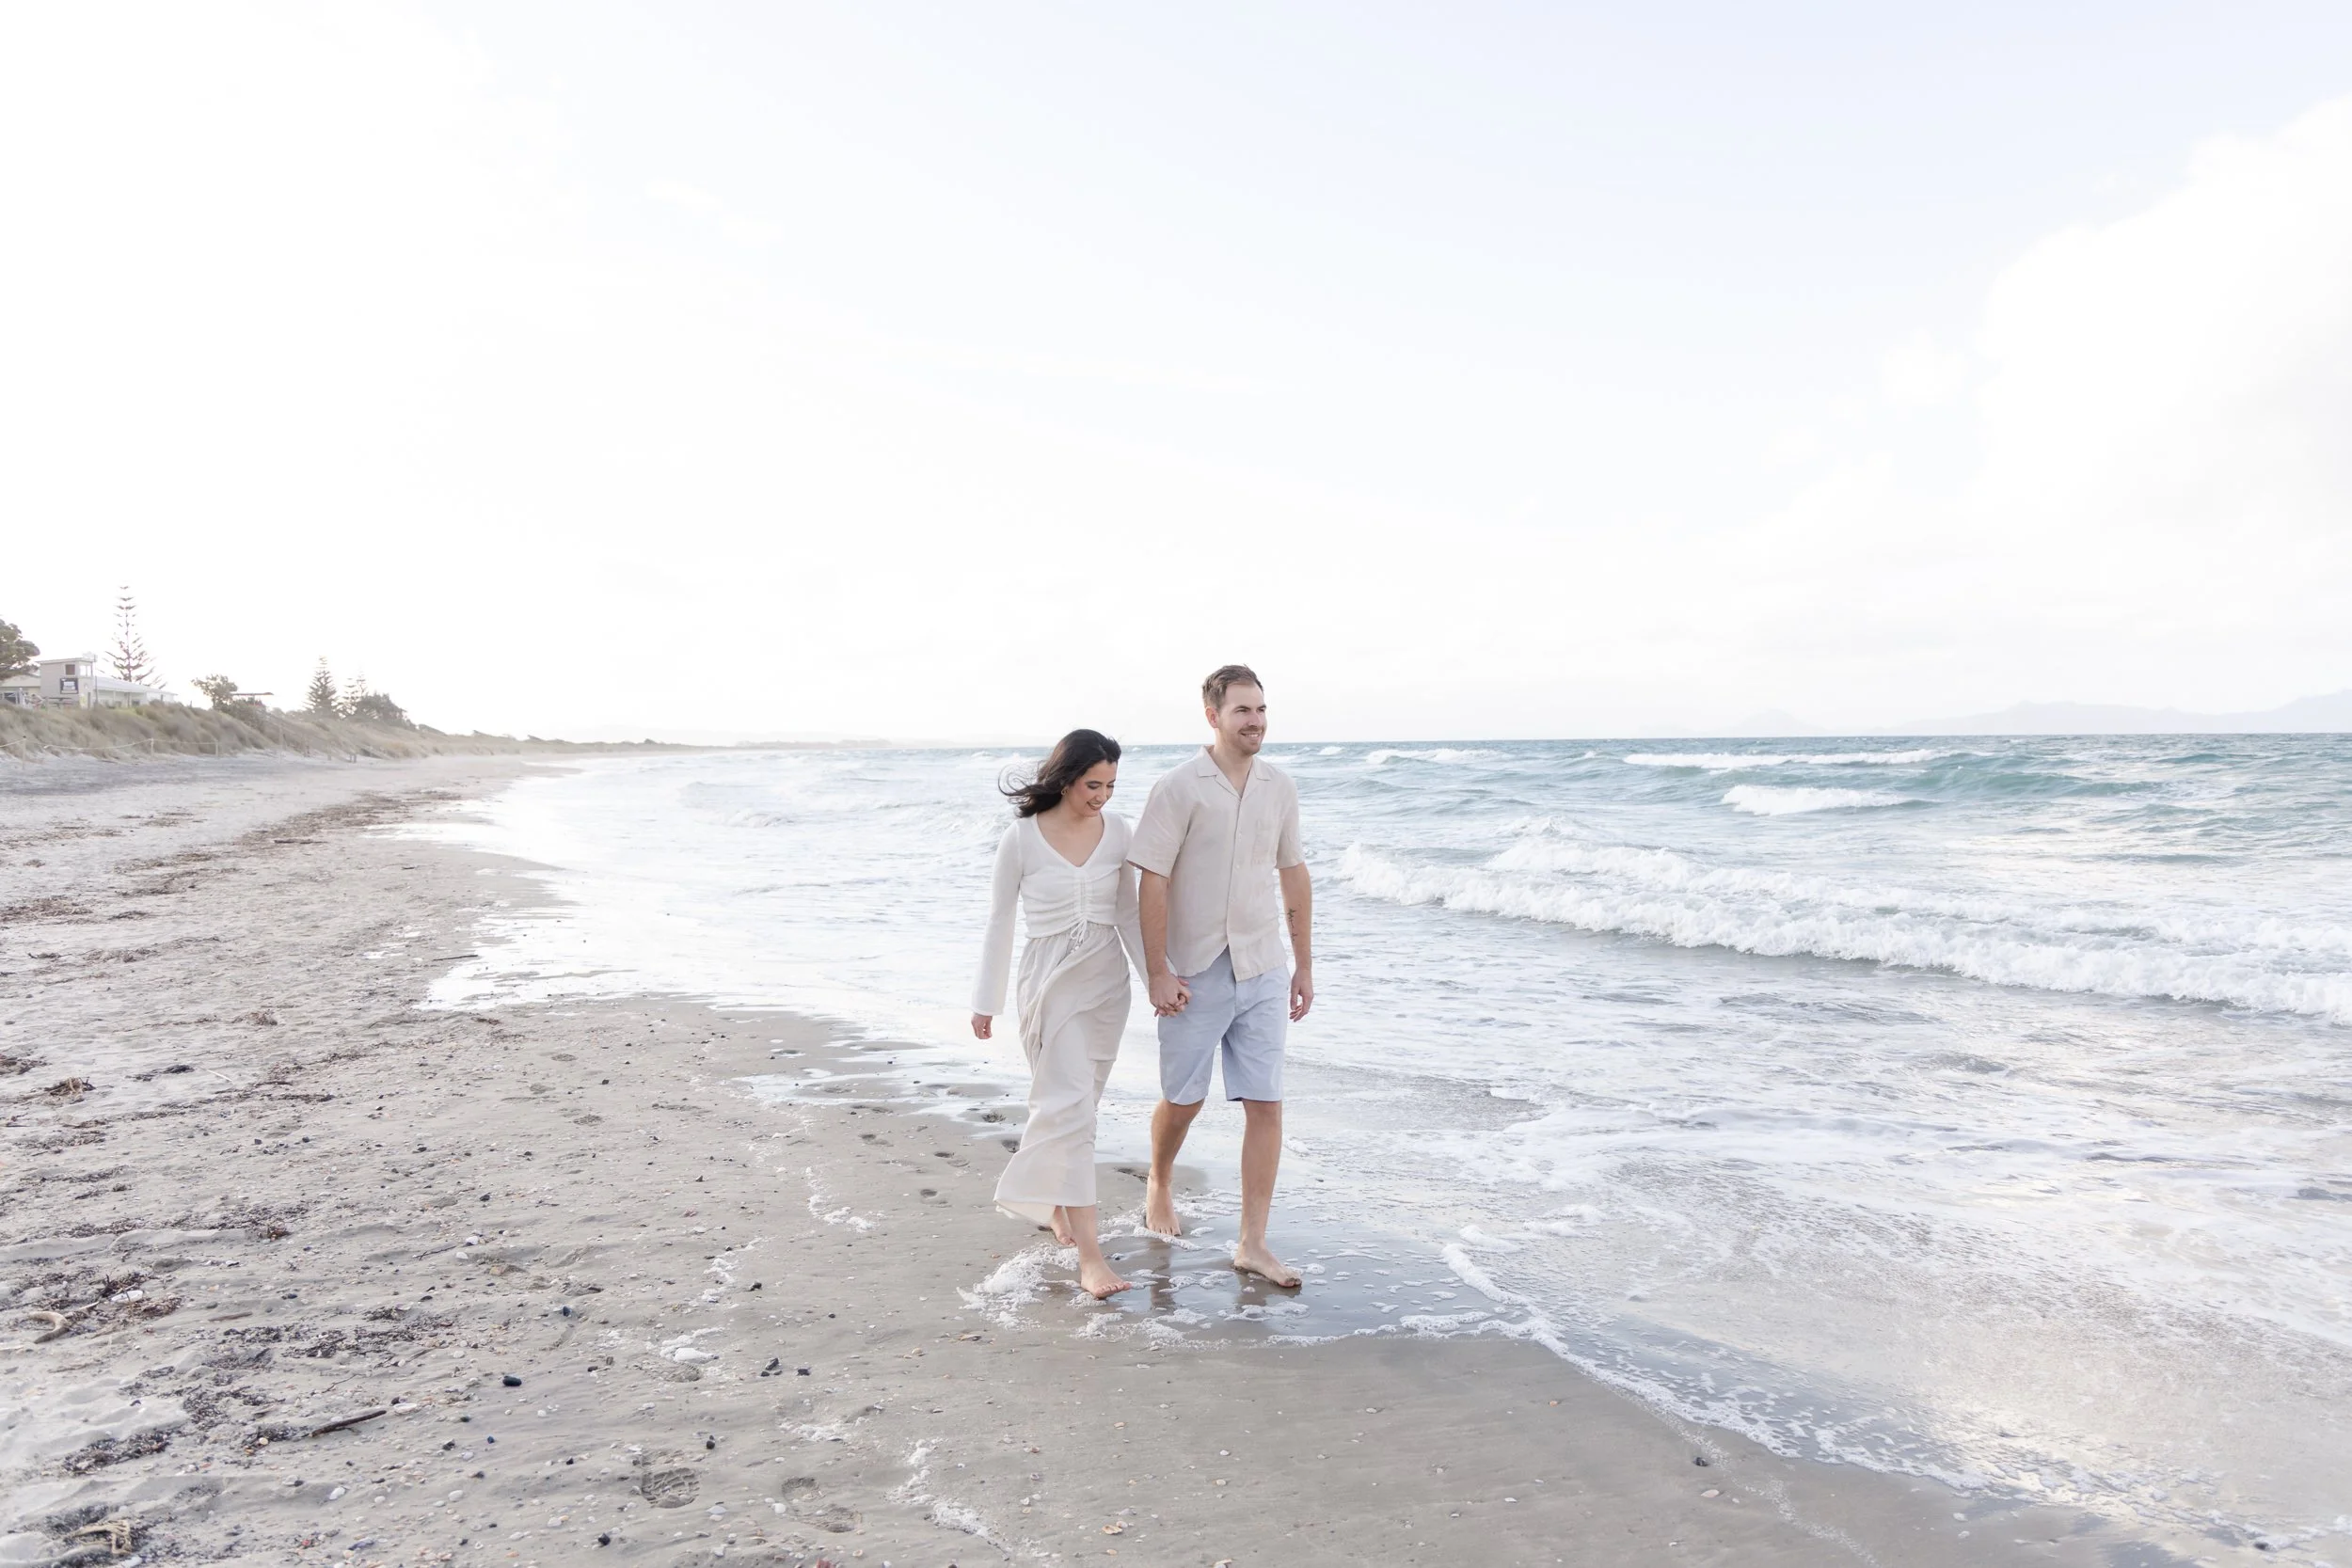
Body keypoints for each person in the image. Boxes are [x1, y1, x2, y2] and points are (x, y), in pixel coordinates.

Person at [1127, 665, 1312, 1288]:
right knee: (1184, 1100)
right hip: (1194, 970)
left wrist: (1303, 965)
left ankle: (1253, 1243)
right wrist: (1158, 970)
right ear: (1213, 715)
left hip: (1262, 964)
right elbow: (1150, 878)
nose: (1255, 720)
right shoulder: (1179, 788)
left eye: (1261, 709)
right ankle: (1159, 1179)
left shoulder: (1279, 787)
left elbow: (1293, 873)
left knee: (1266, 1102)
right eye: (1243, 710)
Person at [971, 728, 1145, 1300]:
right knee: (1070, 1107)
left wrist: (1157, 983)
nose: (1103, 796)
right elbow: (999, 920)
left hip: (1106, 982)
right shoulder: (1021, 838)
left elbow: (1130, 916)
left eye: (1112, 785)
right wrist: (985, 1002)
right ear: (1066, 778)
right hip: (1047, 982)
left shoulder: (1118, 832)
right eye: (1093, 784)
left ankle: (1056, 1207)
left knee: (1080, 1105)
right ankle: (1091, 1259)